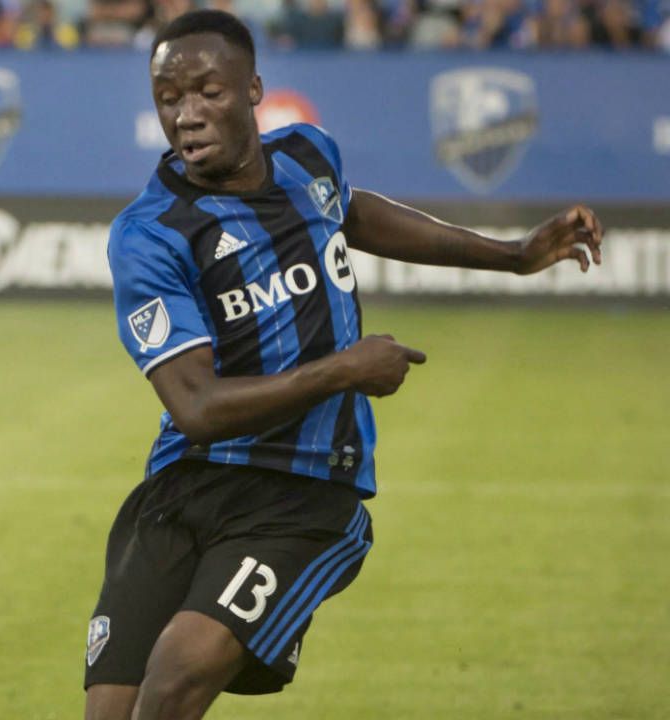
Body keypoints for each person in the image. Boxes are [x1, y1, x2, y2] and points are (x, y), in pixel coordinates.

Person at [85, 10, 603, 720]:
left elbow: (351, 213)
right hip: (185, 482)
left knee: (174, 677)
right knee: (111, 710)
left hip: (304, 491)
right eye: (169, 99)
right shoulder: (150, 236)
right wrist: (345, 370)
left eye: (208, 92)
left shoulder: (308, 156)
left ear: (253, 90)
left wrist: (511, 256)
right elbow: (196, 408)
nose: (188, 115)